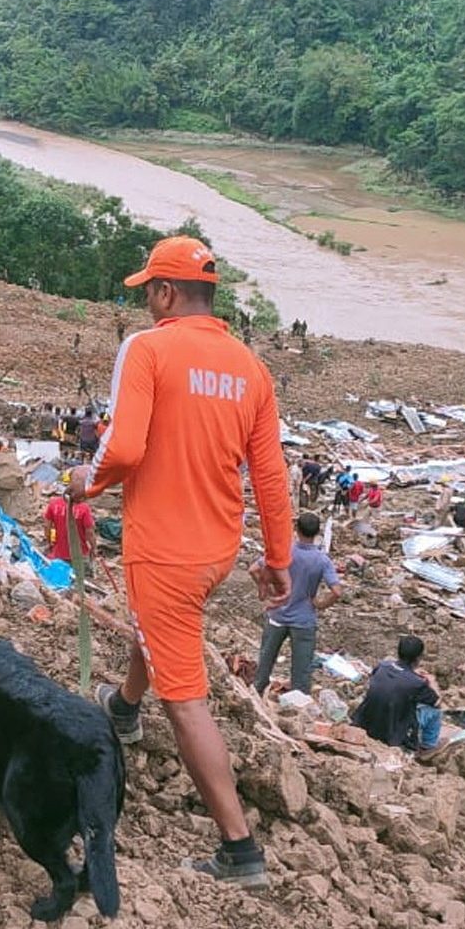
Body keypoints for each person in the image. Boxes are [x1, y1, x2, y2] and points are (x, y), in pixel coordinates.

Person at [74, 234, 294, 888]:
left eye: (148, 292)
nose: (146, 303)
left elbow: (124, 446)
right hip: (215, 550)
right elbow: (271, 473)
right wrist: (277, 557)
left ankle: (239, 848)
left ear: (166, 293)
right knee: (160, 628)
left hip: (162, 549)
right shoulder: (250, 369)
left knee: (186, 694)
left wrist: (82, 483)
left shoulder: (148, 349)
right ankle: (123, 707)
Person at [253, 512, 342, 697]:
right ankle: (298, 709)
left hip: (277, 616)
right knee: (301, 671)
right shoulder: (321, 559)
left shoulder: (284, 551)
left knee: (265, 662)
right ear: (317, 533)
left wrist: (269, 591)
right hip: (304, 620)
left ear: (296, 529)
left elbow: (254, 569)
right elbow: (337, 591)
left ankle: (256, 696)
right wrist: (319, 604)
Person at [351, 634, 442, 751]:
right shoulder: (417, 683)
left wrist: (411, 673)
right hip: (392, 735)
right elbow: (437, 702)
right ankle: (428, 746)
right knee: (434, 711)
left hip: (366, 725)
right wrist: (432, 682)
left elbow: (395, 680)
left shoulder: (382, 666)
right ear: (419, 658)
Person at [42, 489, 96, 564]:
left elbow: (47, 526)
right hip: (80, 553)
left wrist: (49, 542)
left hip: (59, 553)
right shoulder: (84, 508)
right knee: (83, 574)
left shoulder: (54, 504)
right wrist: (93, 548)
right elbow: (90, 533)